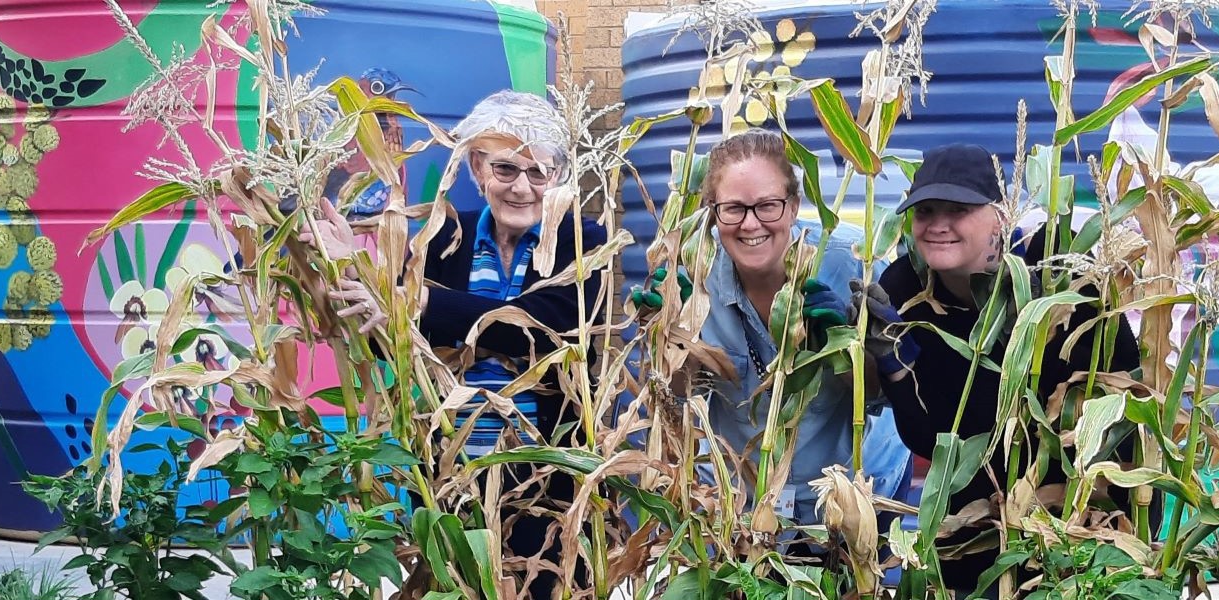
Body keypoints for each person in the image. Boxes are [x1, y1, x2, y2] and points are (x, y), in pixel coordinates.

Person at [313, 89, 604, 599]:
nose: (522, 188)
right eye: (507, 169)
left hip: (549, 485)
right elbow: (394, 344)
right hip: (453, 480)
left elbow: (547, 331)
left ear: (558, 176)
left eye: (539, 173)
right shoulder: (442, 237)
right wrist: (346, 270)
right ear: (476, 169)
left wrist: (426, 305)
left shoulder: (584, 241)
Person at [861, 143, 1142, 595]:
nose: (937, 225)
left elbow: (1122, 405)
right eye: (925, 210)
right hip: (970, 518)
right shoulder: (904, 289)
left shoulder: (1057, 277)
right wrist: (894, 367)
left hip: (1070, 515)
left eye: (958, 209)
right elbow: (931, 442)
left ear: (999, 214)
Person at [635, 128, 915, 536]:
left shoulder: (853, 264)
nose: (750, 224)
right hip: (752, 493)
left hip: (856, 490)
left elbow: (885, 395)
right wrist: (669, 337)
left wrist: (842, 349)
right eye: (733, 209)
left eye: (768, 205)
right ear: (713, 211)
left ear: (794, 205)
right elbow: (681, 393)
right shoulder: (694, 276)